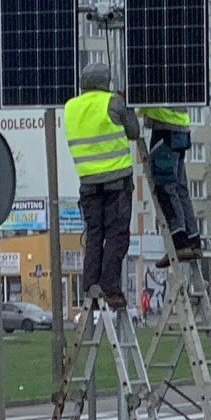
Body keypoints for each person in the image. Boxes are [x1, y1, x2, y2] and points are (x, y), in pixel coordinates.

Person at [65, 63, 138, 311]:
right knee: (117, 235)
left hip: (87, 183)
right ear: (105, 82)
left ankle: (90, 286)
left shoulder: (71, 107)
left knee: (95, 235)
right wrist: (126, 104)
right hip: (117, 182)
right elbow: (134, 132)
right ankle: (111, 288)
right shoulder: (113, 102)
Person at [139, 106, 202, 268]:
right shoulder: (179, 80)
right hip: (181, 129)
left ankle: (180, 242)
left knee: (166, 188)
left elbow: (139, 99)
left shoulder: (157, 81)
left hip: (165, 129)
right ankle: (193, 240)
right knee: (180, 189)